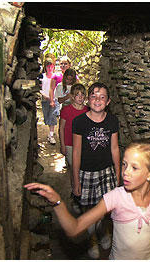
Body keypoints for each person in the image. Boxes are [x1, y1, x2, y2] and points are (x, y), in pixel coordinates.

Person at [24, 139, 150, 260]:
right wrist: (57, 202)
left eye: (134, 168)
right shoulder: (115, 198)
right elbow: (74, 228)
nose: (125, 172)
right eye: (124, 164)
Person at [72, 82, 121, 258]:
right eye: (93, 95)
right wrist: (76, 180)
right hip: (86, 173)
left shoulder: (112, 121)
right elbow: (76, 151)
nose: (97, 100)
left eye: (102, 97)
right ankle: (92, 238)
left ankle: (104, 232)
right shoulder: (79, 122)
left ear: (108, 101)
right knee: (89, 211)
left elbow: (115, 149)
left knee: (106, 208)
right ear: (87, 100)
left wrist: (118, 173)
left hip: (106, 171)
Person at [59, 83, 89, 213]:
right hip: (70, 144)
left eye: (82, 95)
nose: (80, 97)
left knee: (83, 169)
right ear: (72, 96)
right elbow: (61, 128)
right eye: (77, 95)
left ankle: (83, 195)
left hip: (83, 145)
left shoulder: (88, 110)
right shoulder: (66, 110)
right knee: (74, 169)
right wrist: (62, 144)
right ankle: (75, 194)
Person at [40, 56, 59, 145]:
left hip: (53, 100)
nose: (50, 68)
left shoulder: (55, 76)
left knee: (52, 117)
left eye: (51, 66)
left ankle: (51, 135)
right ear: (45, 67)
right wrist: (44, 95)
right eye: (48, 66)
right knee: (47, 117)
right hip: (44, 100)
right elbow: (40, 88)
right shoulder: (42, 77)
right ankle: (50, 133)